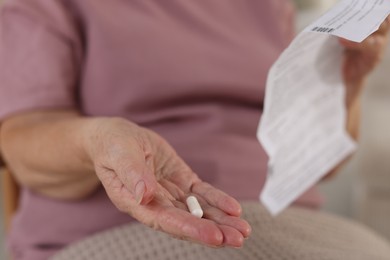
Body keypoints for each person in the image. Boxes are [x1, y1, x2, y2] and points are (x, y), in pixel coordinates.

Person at [0, 0, 388, 259]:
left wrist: (344, 85)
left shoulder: (269, 5)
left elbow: (321, 164)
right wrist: (98, 142)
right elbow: (21, 137)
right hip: (118, 232)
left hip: (300, 229)